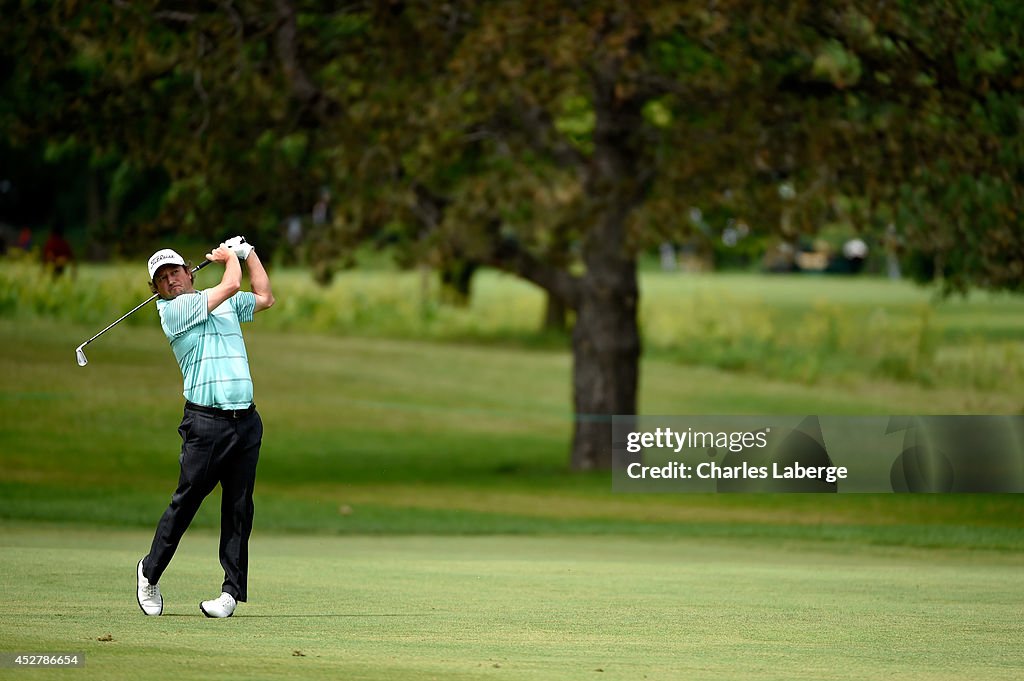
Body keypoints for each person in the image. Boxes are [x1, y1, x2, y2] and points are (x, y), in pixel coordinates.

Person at [136, 237, 275, 618]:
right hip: (205, 423)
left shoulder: (222, 302)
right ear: (157, 290)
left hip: (245, 422)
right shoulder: (174, 311)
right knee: (187, 502)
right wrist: (231, 257)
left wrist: (248, 255)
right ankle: (149, 573)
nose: (171, 280)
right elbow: (230, 284)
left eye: (175, 271)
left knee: (238, 508)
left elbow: (264, 297)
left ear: (188, 272)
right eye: (162, 278)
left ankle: (230, 593)